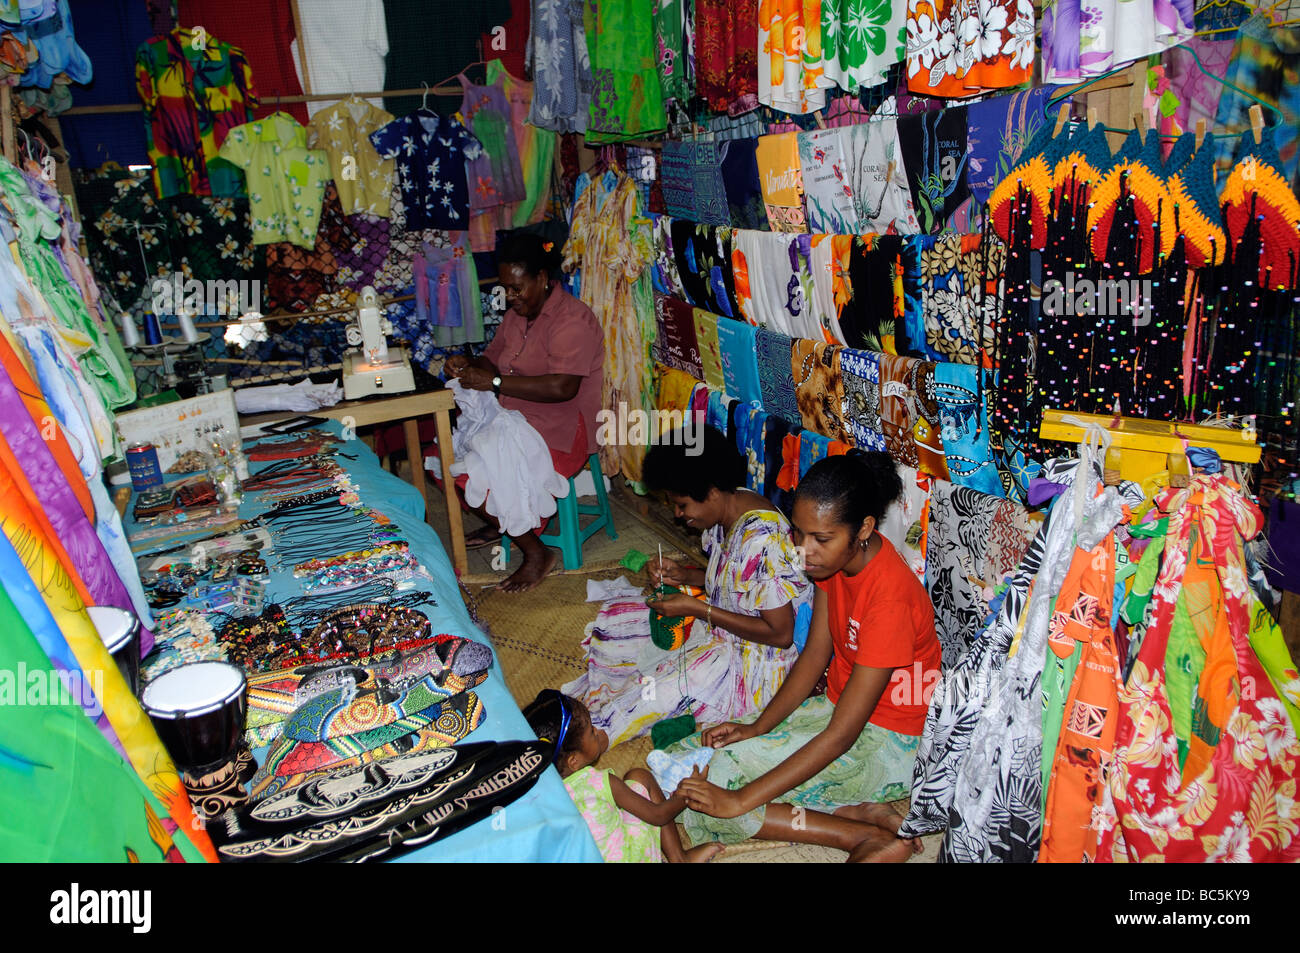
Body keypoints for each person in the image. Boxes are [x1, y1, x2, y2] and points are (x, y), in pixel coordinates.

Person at [673, 451, 942, 862]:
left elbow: (841, 736)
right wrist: (758, 727)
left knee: (721, 793)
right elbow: (815, 656)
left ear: (864, 529)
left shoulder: (890, 600)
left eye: (820, 538)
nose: (803, 550)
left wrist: (741, 800)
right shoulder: (834, 564)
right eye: (798, 533)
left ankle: (859, 837)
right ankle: (856, 808)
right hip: (837, 711)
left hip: (891, 744)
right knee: (692, 760)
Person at [563, 425, 813, 747]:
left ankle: (594, 737)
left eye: (681, 505)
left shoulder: (763, 539)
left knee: (658, 689)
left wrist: (698, 609)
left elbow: (781, 634)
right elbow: (735, 583)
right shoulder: (732, 506)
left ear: (711, 492)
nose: (679, 515)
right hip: (728, 634)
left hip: (758, 667)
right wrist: (685, 576)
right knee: (634, 619)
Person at [443, 233, 604, 593]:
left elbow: (563, 388)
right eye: (506, 290)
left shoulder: (572, 321)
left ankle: (536, 552)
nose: (510, 298)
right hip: (516, 414)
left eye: (517, 289)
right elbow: (493, 358)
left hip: (564, 425)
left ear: (543, 279)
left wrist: (495, 382)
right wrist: (468, 365)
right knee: (447, 459)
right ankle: (503, 516)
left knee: (473, 472)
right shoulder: (518, 315)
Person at [523, 689, 721, 863]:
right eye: (592, 732)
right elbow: (659, 815)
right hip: (633, 858)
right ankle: (680, 858)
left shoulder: (532, 795)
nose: (599, 731)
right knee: (640, 776)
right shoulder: (597, 782)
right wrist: (686, 793)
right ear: (573, 761)